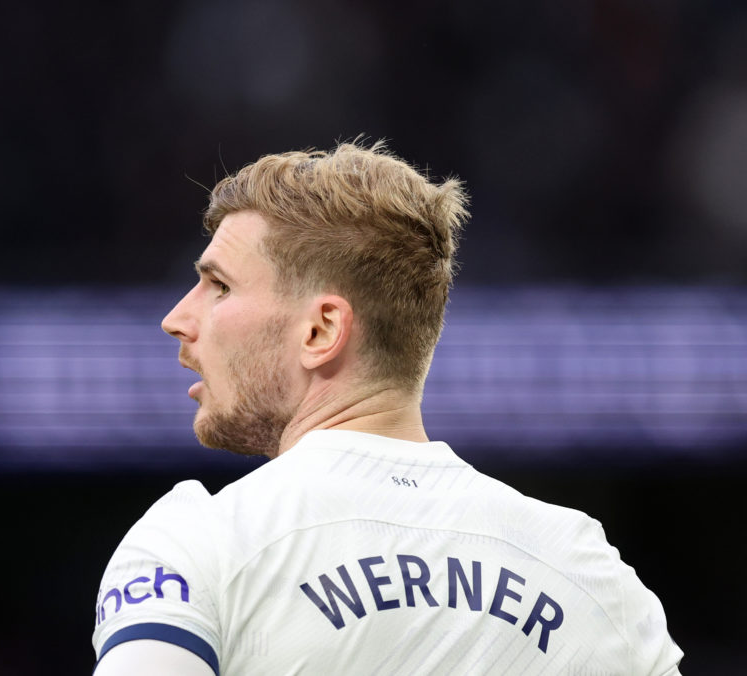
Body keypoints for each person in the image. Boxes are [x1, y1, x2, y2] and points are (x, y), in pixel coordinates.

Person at [91, 141, 683, 675]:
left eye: (218, 286)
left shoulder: (201, 544)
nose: (177, 319)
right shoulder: (592, 576)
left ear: (322, 330)